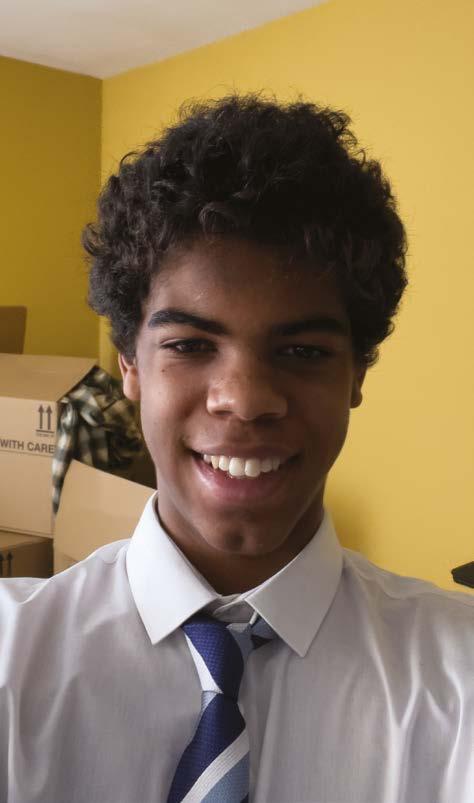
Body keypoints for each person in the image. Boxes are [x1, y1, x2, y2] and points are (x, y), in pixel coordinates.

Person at [1, 95, 473, 803]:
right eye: (191, 344)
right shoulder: (11, 660)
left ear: (357, 374)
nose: (246, 399)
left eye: (303, 350)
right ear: (129, 364)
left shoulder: (458, 680)